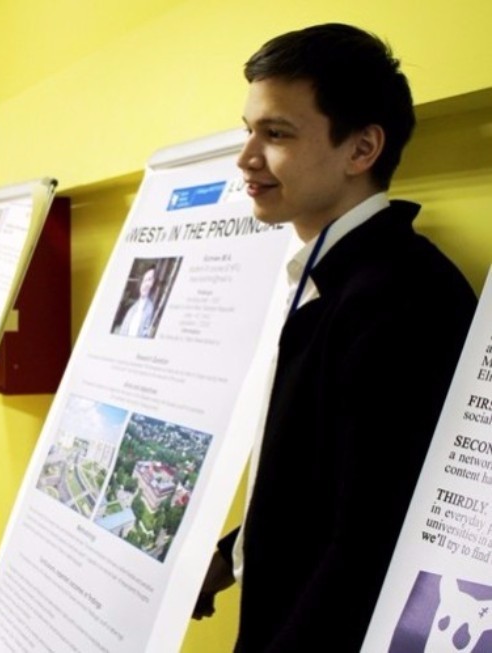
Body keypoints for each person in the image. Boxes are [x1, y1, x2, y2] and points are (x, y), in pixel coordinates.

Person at [194, 24, 477, 651]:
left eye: (277, 134)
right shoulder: (324, 276)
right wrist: (231, 556)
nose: (245, 157)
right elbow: (310, 481)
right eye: (249, 130)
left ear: (362, 149)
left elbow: (369, 544)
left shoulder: (402, 299)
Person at [115, 267, 157, 337]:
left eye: (149, 279)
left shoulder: (151, 308)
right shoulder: (132, 308)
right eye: (144, 280)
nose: (145, 284)